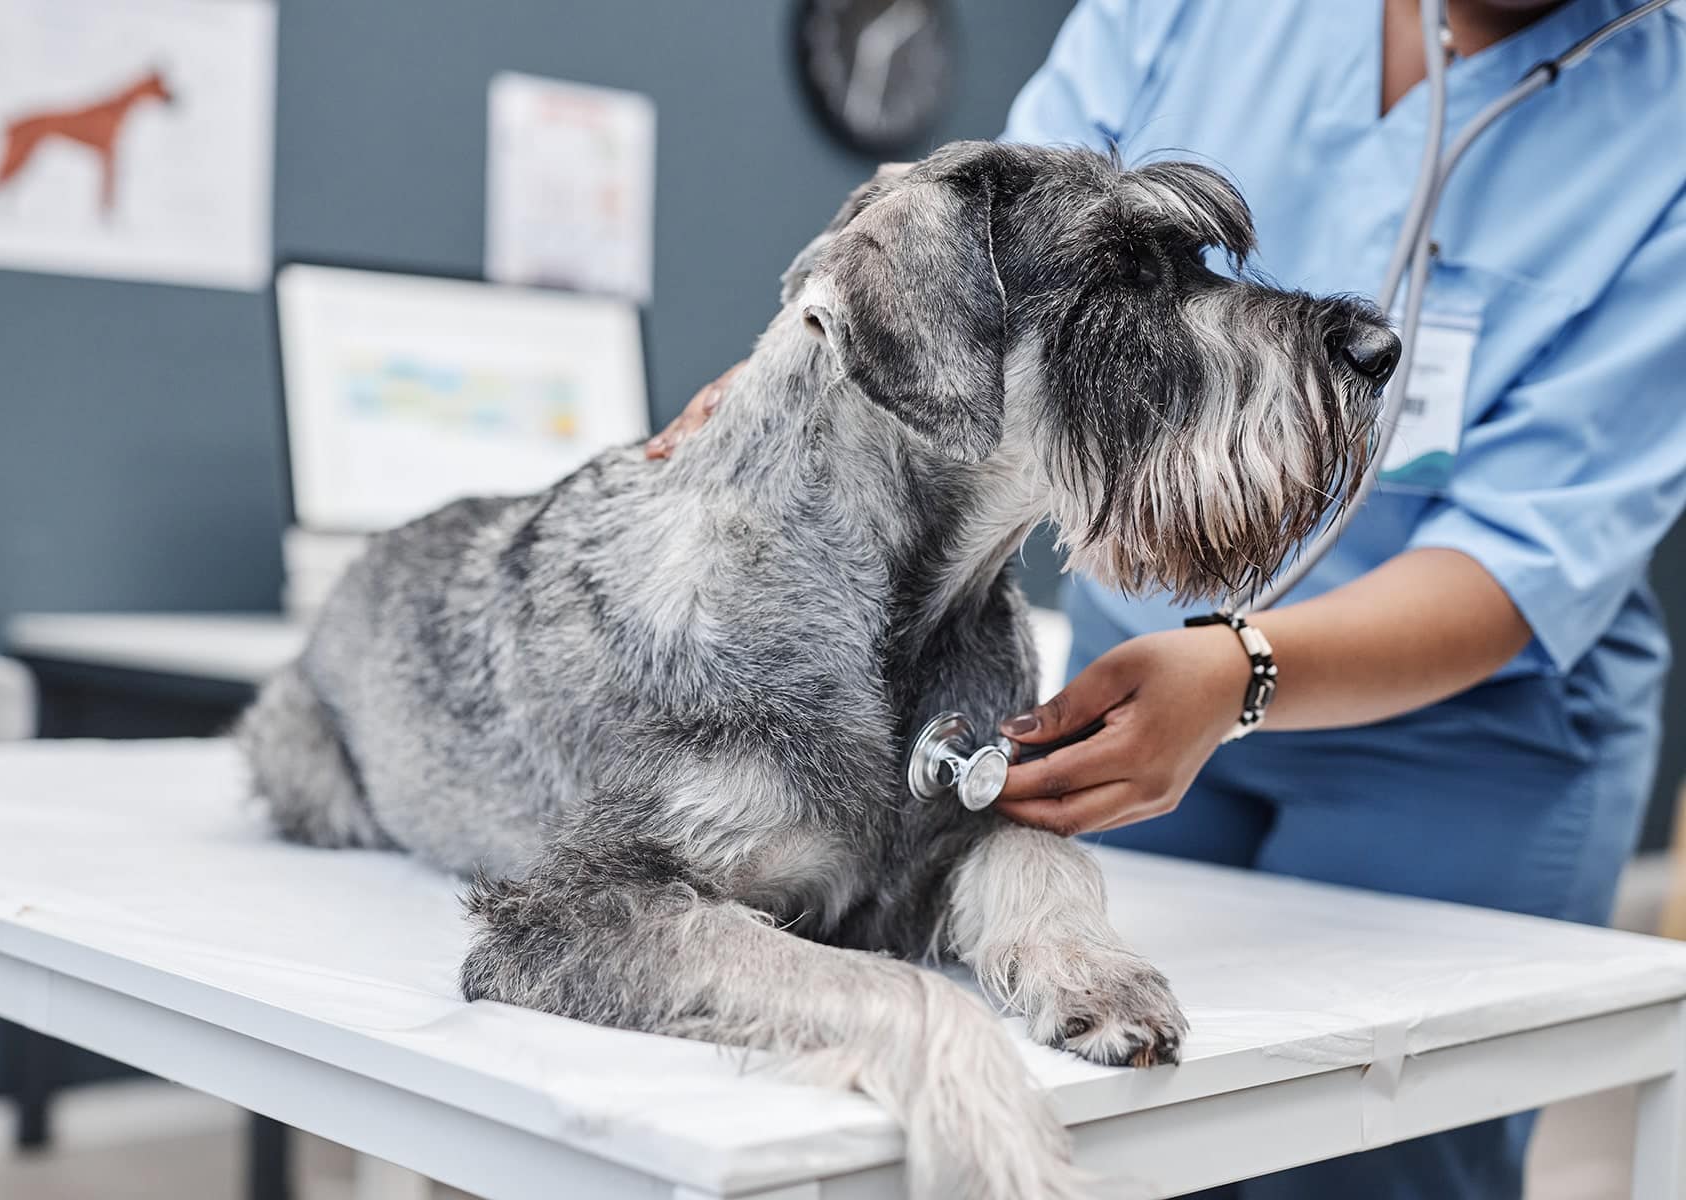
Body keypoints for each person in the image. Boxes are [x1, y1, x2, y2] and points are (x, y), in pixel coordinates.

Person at [651, 1, 1686, 1195]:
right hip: (1128, 687)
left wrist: (1241, 671)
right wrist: (790, 374)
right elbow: (985, 249)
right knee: (1117, 1124)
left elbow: (1526, 549)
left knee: (1373, 1159)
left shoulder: (1662, 127)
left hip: (1456, 746)